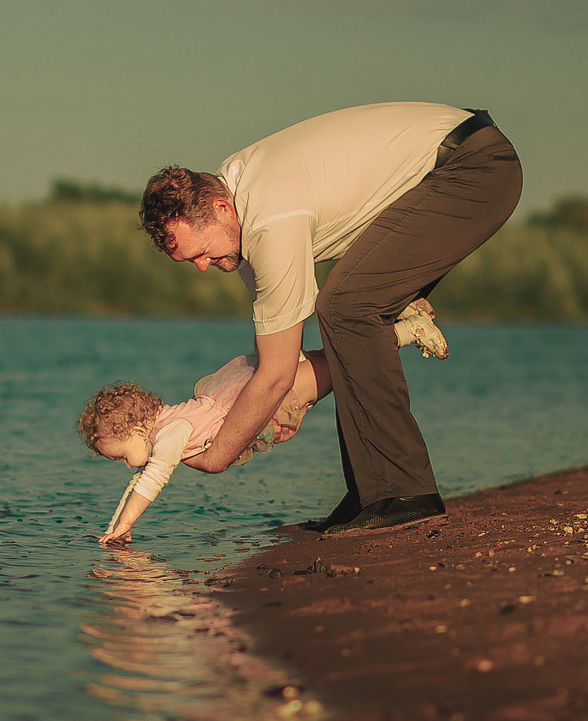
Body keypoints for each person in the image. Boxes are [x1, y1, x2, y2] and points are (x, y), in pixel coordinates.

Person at [138, 103, 523, 535]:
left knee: (346, 308)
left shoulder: (269, 219)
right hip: (453, 166)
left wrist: (218, 455)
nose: (203, 267)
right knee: (347, 317)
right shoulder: (241, 204)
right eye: (191, 260)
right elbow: (280, 360)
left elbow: (277, 375)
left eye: (203, 252)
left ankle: (405, 492)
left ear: (221, 208)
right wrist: (284, 407)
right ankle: (373, 489)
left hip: (474, 169)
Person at [81, 302, 449, 545]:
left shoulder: (170, 433)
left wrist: (128, 523)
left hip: (268, 394)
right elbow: (137, 482)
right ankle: (394, 328)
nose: (127, 464)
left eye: (120, 456)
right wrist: (117, 528)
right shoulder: (164, 427)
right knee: (335, 359)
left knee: (341, 367)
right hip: (246, 388)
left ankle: (405, 331)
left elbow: (152, 479)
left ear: (134, 429)